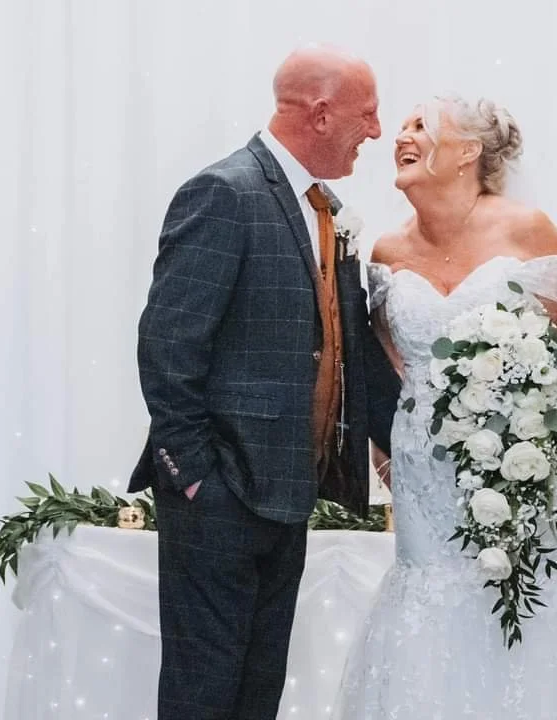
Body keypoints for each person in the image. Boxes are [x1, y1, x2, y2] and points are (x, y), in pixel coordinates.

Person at [334, 96, 557, 718]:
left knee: (526, 586)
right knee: (429, 589)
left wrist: (542, 365)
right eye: (403, 127)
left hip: (523, 450)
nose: (401, 137)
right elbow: (385, 366)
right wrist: (385, 450)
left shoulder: (525, 228)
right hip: (424, 469)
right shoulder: (384, 251)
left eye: (420, 126)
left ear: (468, 152)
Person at [128, 45, 400, 720]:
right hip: (219, 493)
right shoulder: (224, 192)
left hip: (287, 495)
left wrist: (418, 446)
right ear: (320, 112)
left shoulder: (323, 211)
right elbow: (168, 345)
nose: (374, 131)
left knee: (257, 690)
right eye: (366, 114)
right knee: (204, 689)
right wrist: (193, 474)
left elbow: (348, 350)